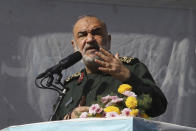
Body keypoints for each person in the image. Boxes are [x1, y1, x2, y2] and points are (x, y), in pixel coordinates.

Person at [52, 15, 167, 120]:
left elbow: (158, 107)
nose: (90, 39)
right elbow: (53, 124)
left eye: (96, 33)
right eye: (82, 35)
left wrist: (127, 76)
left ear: (109, 40)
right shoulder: (71, 84)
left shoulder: (130, 68)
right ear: (74, 45)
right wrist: (70, 116)